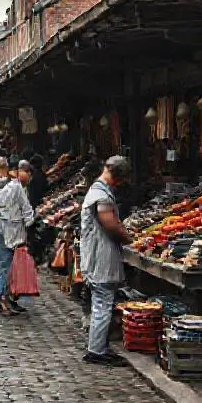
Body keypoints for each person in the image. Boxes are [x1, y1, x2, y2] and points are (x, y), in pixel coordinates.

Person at [80, 155, 133, 365]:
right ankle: (97, 351)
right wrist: (129, 239)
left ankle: (98, 346)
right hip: (100, 258)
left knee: (101, 303)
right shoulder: (100, 195)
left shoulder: (99, 191)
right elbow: (109, 223)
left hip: (98, 256)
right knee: (102, 303)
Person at [0, 160, 34, 316]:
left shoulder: (10, 187)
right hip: (9, 232)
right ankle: (0, 298)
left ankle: (4, 298)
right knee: (5, 265)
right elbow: (27, 211)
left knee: (4, 264)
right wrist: (30, 223)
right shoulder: (16, 189)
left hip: (2, 230)